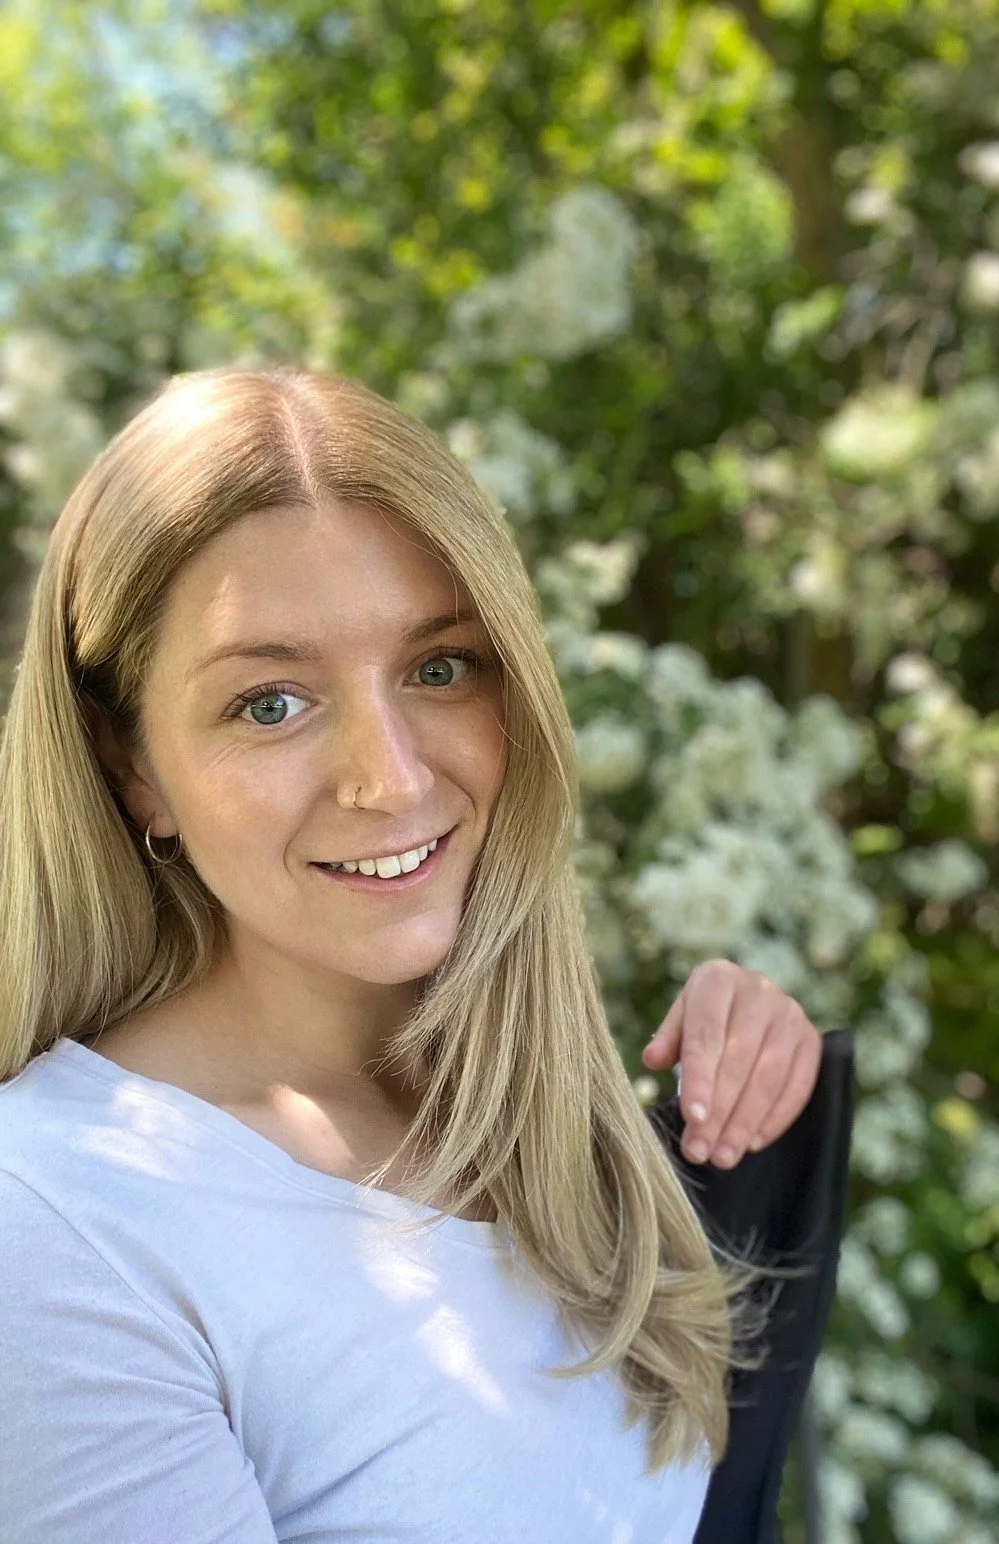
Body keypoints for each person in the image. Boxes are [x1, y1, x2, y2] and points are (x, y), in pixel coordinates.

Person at [0, 367, 821, 1543]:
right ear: (132, 765)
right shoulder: (56, 1227)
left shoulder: (551, 1140)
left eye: (439, 667)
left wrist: (748, 1104)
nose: (391, 778)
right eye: (270, 701)